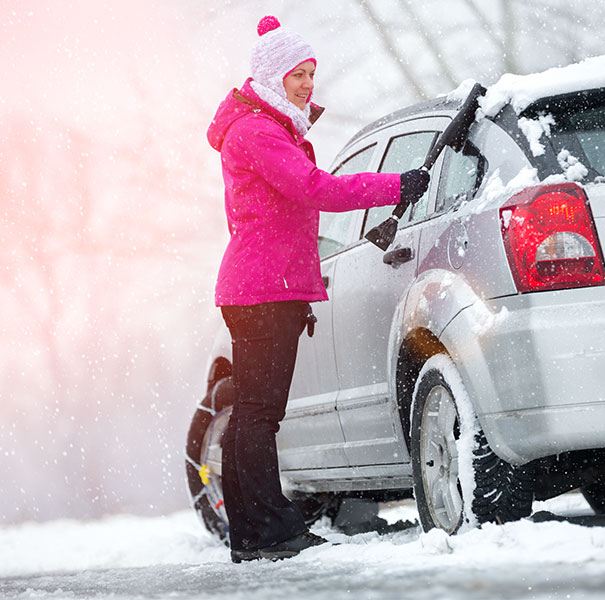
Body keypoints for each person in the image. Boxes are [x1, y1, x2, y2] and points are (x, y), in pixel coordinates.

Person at [206, 15, 430, 563]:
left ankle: (252, 533)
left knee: (253, 414)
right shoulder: (258, 131)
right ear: (270, 77)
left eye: (311, 73)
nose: (308, 84)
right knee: (260, 414)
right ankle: (272, 529)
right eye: (297, 75)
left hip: (262, 284)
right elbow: (313, 189)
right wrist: (396, 183)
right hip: (263, 288)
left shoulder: (264, 127)